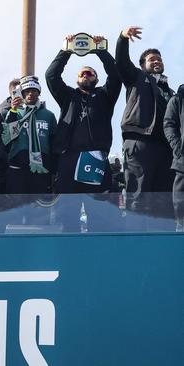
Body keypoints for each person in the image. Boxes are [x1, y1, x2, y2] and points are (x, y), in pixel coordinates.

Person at [45, 35, 122, 194]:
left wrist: (101, 51)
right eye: (82, 74)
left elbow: (115, 75)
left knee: (100, 212)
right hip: (69, 159)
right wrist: (66, 51)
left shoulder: (105, 96)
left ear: (97, 78)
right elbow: (51, 76)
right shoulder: (68, 96)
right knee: (68, 211)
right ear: (77, 79)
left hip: (97, 158)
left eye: (90, 73)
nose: (86, 75)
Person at [116, 26, 175, 212]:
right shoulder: (137, 78)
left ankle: (163, 240)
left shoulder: (171, 92)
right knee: (138, 196)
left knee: (164, 200)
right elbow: (122, 62)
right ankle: (136, 241)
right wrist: (122, 38)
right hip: (140, 144)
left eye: (159, 59)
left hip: (166, 148)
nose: (156, 61)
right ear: (143, 65)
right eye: (151, 59)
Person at [1, 75, 57, 194]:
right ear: (22, 93)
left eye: (34, 91)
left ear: (39, 93)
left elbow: (53, 141)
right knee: (17, 205)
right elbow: (6, 136)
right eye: (27, 91)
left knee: (38, 207)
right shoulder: (16, 112)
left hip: (41, 166)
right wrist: (13, 110)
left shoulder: (49, 115)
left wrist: (54, 168)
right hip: (17, 165)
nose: (30, 94)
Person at [163, 84, 184, 231]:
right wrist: (178, 148)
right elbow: (169, 124)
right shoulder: (178, 99)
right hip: (183, 162)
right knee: (180, 203)